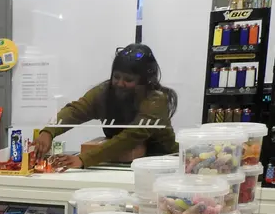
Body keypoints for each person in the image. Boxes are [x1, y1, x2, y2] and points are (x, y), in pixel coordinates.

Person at [34, 43, 179, 169]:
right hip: (121, 163)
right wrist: (48, 132)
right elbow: (76, 110)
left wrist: (84, 159)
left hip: (162, 164)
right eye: (116, 77)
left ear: (145, 82)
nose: (120, 84)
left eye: (128, 80)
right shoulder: (105, 92)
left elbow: (130, 137)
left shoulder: (156, 101)